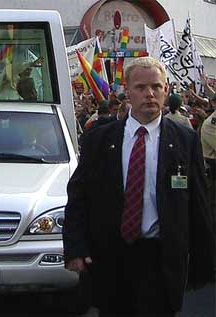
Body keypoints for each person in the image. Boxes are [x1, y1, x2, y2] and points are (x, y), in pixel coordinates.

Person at [63, 57, 215, 316]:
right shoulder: (100, 139)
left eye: (156, 87)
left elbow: (198, 203)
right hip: (111, 257)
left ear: (166, 90)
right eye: (141, 87)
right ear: (127, 91)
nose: (149, 94)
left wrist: (204, 261)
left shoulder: (184, 139)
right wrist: (76, 247)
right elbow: (79, 196)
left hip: (160, 258)